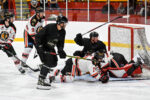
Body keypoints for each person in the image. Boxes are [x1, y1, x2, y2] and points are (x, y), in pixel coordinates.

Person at [35, 15, 68, 90]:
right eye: (64, 23)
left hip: (50, 47)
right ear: (59, 22)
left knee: (54, 63)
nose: (65, 25)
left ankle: (43, 67)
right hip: (42, 47)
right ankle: (41, 81)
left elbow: (60, 43)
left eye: (66, 23)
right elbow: (38, 36)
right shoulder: (49, 27)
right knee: (48, 61)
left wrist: (61, 50)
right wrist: (40, 47)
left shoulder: (63, 32)